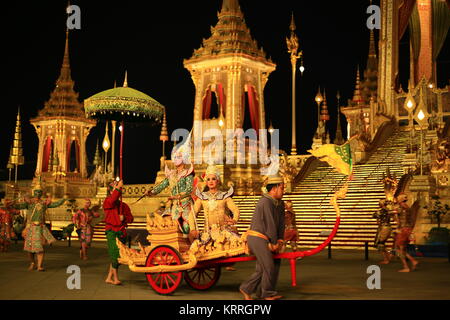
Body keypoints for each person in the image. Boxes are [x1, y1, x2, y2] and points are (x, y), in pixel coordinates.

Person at [239, 175, 285, 300]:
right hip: (257, 237)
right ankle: (265, 293)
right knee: (268, 265)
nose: (283, 191)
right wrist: (273, 242)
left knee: (271, 265)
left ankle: (255, 290)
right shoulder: (265, 202)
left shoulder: (280, 204)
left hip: (268, 237)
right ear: (274, 189)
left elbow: (281, 223)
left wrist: (280, 240)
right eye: (282, 188)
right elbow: (270, 223)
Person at [193, 164, 240, 270]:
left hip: (223, 230)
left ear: (218, 181)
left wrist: (234, 219)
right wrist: (192, 228)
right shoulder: (202, 197)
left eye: (213, 179)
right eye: (208, 179)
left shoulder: (224, 196)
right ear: (206, 182)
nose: (211, 181)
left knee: (237, 243)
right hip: (207, 232)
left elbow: (235, 210)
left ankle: (228, 262)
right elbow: (193, 213)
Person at [147, 136, 195, 235]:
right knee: (172, 227)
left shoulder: (188, 173)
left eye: (178, 157)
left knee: (186, 228)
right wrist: (151, 192)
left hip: (185, 204)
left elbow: (189, 189)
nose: (175, 159)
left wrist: (180, 195)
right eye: (174, 157)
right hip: (174, 206)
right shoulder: (171, 174)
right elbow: (161, 186)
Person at [14, 183, 66, 271]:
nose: (38, 193)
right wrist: (10, 204)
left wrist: (64, 199)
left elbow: (55, 204)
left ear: (41, 193)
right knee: (30, 249)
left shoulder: (44, 203)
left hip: (40, 228)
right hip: (30, 228)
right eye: (36, 192)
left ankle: (39, 266)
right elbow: (18, 206)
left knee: (39, 248)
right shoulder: (29, 203)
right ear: (34, 192)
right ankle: (32, 262)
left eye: (39, 192)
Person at [103, 179, 134, 285]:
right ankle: (115, 278)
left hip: (121, 232)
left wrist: (124, 218)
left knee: (118, 256)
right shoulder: (107, 202)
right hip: (111, 231)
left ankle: (109, 278)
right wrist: (118, 188)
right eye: (114, 190)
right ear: (111, 192)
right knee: (115, 254)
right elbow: (112, 200)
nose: (115, 193)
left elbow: (131, 219)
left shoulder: (123, 206)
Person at [393, 193, 419, 272]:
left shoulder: (399, 208)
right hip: (408, 229)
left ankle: (406, 267)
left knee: (398, 249)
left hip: (403, 229)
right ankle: (413, 261)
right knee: (402, 249)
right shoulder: (407, 207)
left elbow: (398, 221)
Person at [373, 199, 393, 264]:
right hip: (388, 227)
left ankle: (386, 259)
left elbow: (374, 215)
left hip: (384, 228)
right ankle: (388, 257)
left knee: (380, 243)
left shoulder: (382, 211)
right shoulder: (388, 210)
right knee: (382, 243)